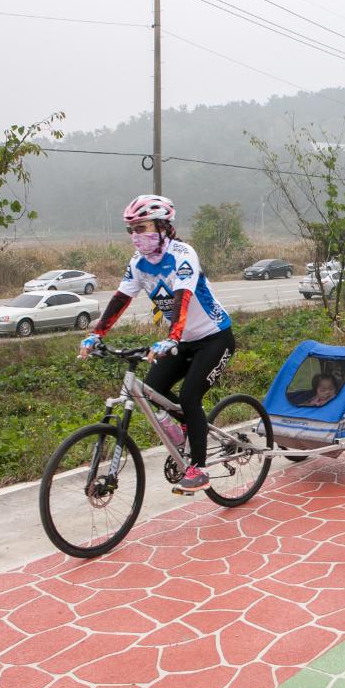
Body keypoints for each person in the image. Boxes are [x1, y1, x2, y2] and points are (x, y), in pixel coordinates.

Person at [80, 195, 234, 494]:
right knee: (153, 390)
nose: (137, 236)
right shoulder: (138, 264)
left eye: (142, 227)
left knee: (190, 397)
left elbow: (182, 298)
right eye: (132, 230)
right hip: (183, 341)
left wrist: (172, 337)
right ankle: (190, 426)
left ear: (164, 226)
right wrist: (97, 333)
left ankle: (198, 468)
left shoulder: (182, 254)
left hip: (215, 337)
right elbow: (121, 299)